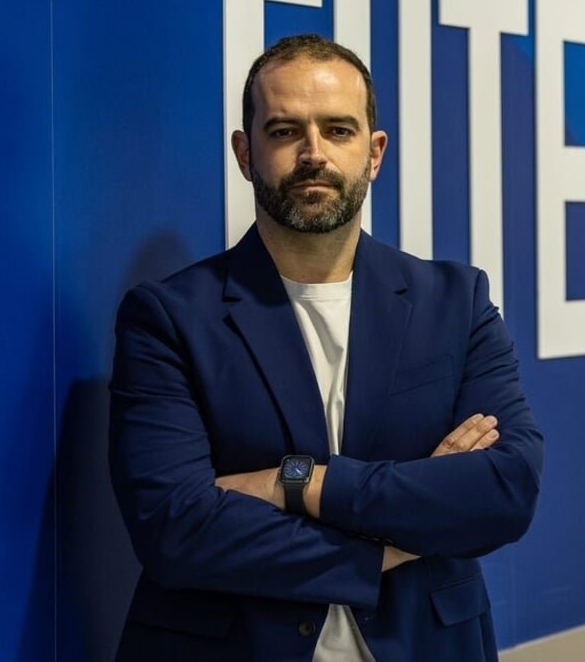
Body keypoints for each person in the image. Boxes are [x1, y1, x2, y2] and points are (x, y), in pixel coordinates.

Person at [108, 34, 543, 661]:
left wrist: (299, 482)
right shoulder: (169, 318)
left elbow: (505, 489)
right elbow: (176, 528)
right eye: (285, 131)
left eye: (338, 130)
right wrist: (401, 537)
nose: (314, 153)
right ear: (245, 153)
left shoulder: (456, 302)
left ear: (374, 152)